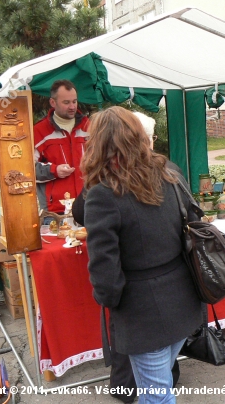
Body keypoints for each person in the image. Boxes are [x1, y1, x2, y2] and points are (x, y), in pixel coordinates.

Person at [81, 106, 203, 403]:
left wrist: (110, 300)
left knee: (156, 398)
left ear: (98, 144)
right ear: (137, 136)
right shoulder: (168, 171)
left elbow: (104, 268)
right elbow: (195, 218)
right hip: (184, 300)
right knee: (159, 391)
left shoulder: (102, 195)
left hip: (144, 315)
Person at [34, 79, 89, 213]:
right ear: (53, 103)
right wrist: (54, 170)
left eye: (74, 101)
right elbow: (27, 170)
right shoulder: (39, 131)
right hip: (56, 210)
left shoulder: (90, 127)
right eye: (66, 102)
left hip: (89, 204)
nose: (72, 106)